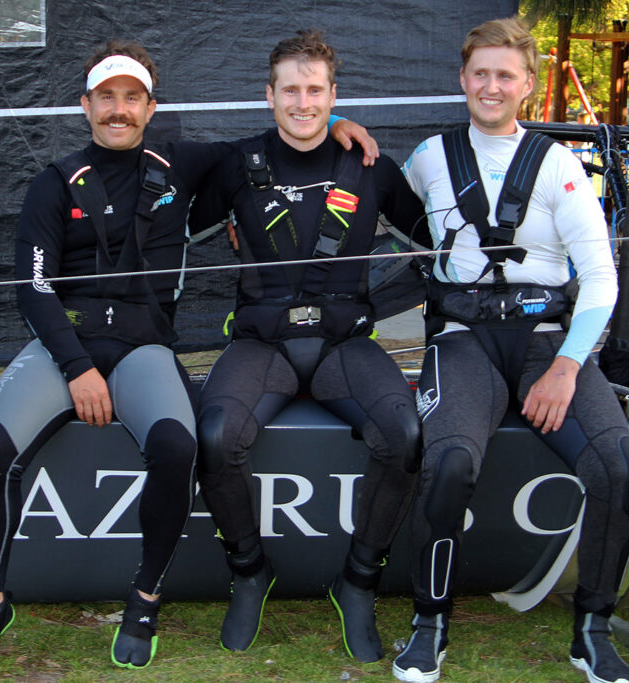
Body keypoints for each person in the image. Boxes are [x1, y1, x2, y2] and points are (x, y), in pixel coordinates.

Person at [0, 39, 380, 674]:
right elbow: (32, 288)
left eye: (131, 98)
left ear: (151, 107)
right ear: (85, 105)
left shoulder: (182, 162)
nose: (118, 110)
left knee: (179, 446)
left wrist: (336, 122)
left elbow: (282, 142)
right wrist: (76, 368)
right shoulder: (52, 182)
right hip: (64, 347)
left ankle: (145, 602)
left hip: (144, 348)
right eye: (106, 98)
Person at [394, 17, 629, 683]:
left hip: (543, 345)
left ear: (528, 85)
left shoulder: (559, 165)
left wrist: (567, 367)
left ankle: (592, 629)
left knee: (616, 463)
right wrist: (342, 137)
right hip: (463, 341)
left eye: (506, 75)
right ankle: (430, 621)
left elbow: (600, 279)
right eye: (481, 72)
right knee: (447, 464)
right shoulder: (428, 158)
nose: (491, 86)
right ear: (462, 78)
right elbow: (381, 211)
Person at [189, 29, 425, 663]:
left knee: (403, 434)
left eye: (315, 91)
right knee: (213, 437)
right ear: (268, 97)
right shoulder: (236, 164)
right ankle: (248, 572)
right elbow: (170, 217)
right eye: (289, 90)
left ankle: (358, 582)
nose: (302, 102)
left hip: (344, 345)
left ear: (333, 96)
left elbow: (435, 244)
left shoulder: (371, 166)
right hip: (262, 345)